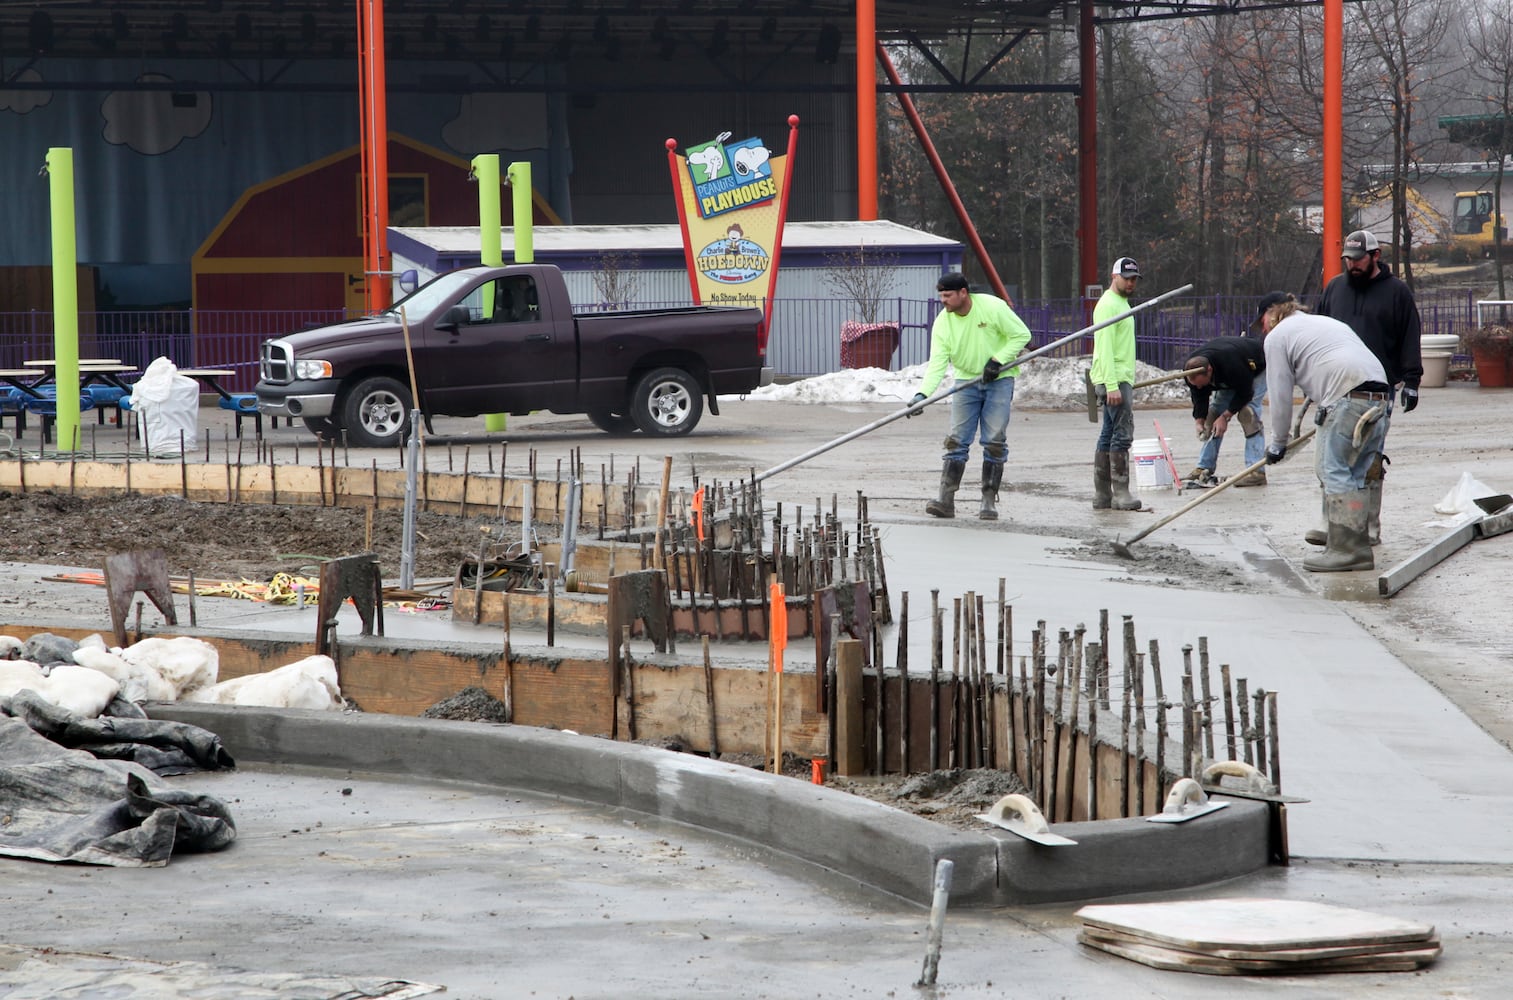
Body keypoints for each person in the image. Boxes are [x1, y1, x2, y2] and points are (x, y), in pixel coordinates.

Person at [1259, 291, 1392, 573]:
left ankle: (1347, 551)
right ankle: (1353, 541)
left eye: (1262, 322)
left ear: (1270, 315)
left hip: (1347, 397)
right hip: (1379, 396)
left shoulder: (1277, 336)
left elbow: (1279, 394)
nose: (1263, 329)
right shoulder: (1324, 324)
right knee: (1356, 474)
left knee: (1332, 471)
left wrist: (1277, 444)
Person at [1315, 229, 1423, 546]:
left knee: (1369, 460)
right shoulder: (1335, 289)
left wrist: (1412, 381)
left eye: (1359, 259)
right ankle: (1334, 526)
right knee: (1331, 460)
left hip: (1378, 391)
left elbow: (1409, 336)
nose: (1353, 266)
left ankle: (1368, 528)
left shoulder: (1396, 293)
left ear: (1376, 256)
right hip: (1337, 388)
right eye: (1348, 260)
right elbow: (1320, 333)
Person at [908, 272, 1032, 520]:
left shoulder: (992, 307)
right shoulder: (944, 322)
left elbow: (1022, 335)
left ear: (963, 293)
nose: (943, 301)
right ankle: (945, 500)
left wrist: (998, 360)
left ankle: (988, 501)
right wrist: (922, 394)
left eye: (947, 295)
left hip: (999, 380)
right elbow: (938, 362)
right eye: (941, 296)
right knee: (956, 440)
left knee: (995, 440)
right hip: (966, 382)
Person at [1090, 256, 1144, 510]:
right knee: (1122, 436)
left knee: (1109, 434)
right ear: (1114, 277)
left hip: (1118, 377)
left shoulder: (1121, 304)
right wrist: (1111, 385)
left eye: (1134, 279)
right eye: (1127, 278)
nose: (1131, 283)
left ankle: (1103, 495)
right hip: (1114, 378)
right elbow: (1104, 348)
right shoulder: (1108, 305)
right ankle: (1121, 493)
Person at [1181, 336, 1268, 488]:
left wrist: (1226, 416)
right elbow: (1199, 395)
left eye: (1202, 384)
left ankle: (1256, 472)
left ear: (1210, 370)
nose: (1199, 387)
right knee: (1212, 417)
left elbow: (1245, 392)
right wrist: (1199, 420)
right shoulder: (1191, 371)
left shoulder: (1231, 365)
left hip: (1256, 367)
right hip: (1231, 373)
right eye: (1196, 384)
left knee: (1248, 415)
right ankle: (1204, 467)